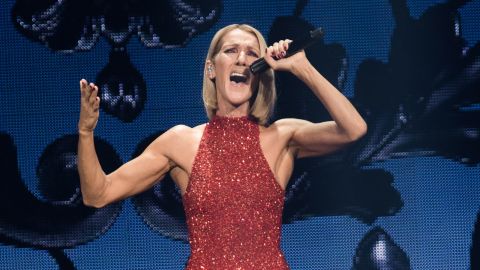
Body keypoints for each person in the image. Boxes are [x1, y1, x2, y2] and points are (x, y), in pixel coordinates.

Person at [77, 24, 367, 269]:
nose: (242, 59)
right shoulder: (181, 142)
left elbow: (353, 129)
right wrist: (86, 132)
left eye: (252, 53)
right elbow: (97, 194)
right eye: (231, 51)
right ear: (211, 69)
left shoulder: (282, 136)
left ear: (261, 70)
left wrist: (301, 67)